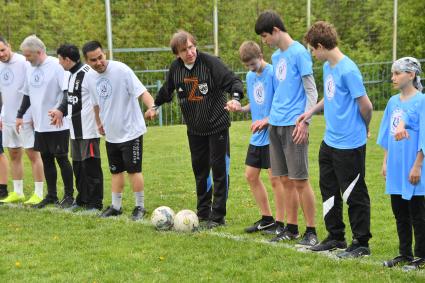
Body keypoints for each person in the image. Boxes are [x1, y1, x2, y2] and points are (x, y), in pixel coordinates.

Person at [145, 30, 244, 229]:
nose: (189, 52)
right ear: (177, 54)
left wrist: (235, 99)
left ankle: (217, 217)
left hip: (217, 126)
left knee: (219, 170)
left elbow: (233, 81)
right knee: (200, 171)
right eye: (184, 50)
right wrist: (155, 106)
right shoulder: (176, 68)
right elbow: (167, 89)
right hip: (195, 129)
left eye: (191, 47)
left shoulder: (210, 63)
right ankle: (203, 212)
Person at [299, 21, 373, 257]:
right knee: (328, 189)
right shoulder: (329, 67)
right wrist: (311, 110)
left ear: (320, 46)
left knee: (354, 194)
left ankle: (361, 242)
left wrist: (365, 128)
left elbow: (366, 105)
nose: (312, 53)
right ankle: (335, 237)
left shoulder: (348, 69)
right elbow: (331, 97)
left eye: (312, 49)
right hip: (330, 142)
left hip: (350, 144)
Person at [254, 11, 319, 245]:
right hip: (276, 124)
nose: (264, 41)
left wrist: (305, 121)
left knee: (300, 180)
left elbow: (311, 91)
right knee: (284, 180)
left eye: (265, 36)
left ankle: (311, 231)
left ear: (275, 31)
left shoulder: (300, 53)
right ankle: (291, 228)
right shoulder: (275, 57)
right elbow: (281, 92)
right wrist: (270, 118)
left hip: (294, 125)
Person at [82, 40, 154, 220]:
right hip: (112, 134)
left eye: (100, 57)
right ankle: (116, 206)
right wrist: (98, 122)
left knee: (133, 170)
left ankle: (139, 207)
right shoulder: (90, 77)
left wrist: (152, 107)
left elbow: (141, 91)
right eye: (93, 60)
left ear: (104, 53)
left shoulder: (121, 70)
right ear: (87, 61)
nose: (99, 62)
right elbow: (96, 103)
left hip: (131, 131)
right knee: (115, 171)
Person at [226, 40, 284, 234]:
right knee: (251, 176)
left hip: (273, 134)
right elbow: (255, 102)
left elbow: (280, 104)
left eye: (253, 64)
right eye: (247, 66)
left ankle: (281, 222)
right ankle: (266, 218)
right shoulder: (250, 77)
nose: (251, 68)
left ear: (260, 56)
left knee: (275, 180)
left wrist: (267, 120)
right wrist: (240, 108)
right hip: (257, 135)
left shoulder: (274, 73)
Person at [16, 35, 74, 209]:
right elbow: (27, 93)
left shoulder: (56, 66)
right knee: (46, 159)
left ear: (39, 52)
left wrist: (60, 111)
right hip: (40, 125)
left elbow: (66, 92)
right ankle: (51, 196)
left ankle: (69, 196)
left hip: (57, 123)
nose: (25, 59)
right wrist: (20, 114)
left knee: (61, 158)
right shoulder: (30, 67)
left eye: (28, 55)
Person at [380, 57, 425, 271]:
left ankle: (421, 256)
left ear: (412, 74)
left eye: (397, 73)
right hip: (396, 167)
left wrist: (417, 165)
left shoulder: (422, 101)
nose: (393, 78)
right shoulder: (392, 102)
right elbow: (388, 135)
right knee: (400, 212)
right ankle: (405, 253)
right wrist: (386, 162)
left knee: (418, 213)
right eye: (393, 73)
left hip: (414, 166)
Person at [49, 44, 103, 211]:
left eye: (59, 59)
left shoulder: (88, 74)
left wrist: (99, 122)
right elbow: (71, 99)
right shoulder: (71, 75)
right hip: (75, 130)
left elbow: (97, 101)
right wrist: (60, 111)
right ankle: (82, 199)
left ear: (67, 59)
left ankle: (95, 202)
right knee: (79, 167)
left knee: (91, 166)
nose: (58, 63)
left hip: (89, 130)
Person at [0, 36, 44, 205]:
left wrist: (32, 115)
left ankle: (38, 193)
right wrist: (2, 115)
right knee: (14, 154)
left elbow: (33, 90)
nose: (1, 54)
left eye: (3, 50)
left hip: (25, 117)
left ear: (9, 46)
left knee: (33, 154)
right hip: (9, 118)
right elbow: (4, 94)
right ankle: (18, 192)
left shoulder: (23, 62)